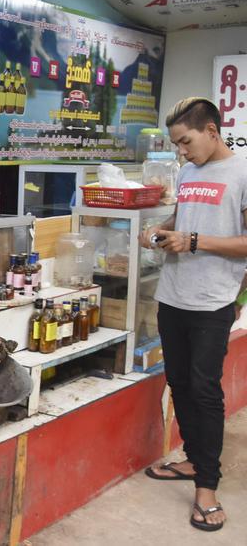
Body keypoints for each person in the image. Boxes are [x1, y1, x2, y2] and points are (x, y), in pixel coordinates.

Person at [140, 97, 247, 532]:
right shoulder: (187, 172)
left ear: (212, 132)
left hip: (212, 300)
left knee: (205, 390)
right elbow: (182, 218)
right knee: (180, 383)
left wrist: (195, 241)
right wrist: (162, 231)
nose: (181, 152)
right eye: (177, 144)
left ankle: (207, 486)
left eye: (186, 142)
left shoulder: (241, 172)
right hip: (173, 295)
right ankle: (192, 460)